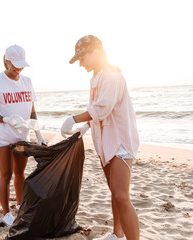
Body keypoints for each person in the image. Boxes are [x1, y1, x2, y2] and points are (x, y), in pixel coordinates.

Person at [61, 35, 139, 240]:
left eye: (82, 58)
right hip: (105, 142)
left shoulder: (111, 75)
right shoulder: (96, 78)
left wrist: (73, 119)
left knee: (121, 196)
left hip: (120, 141)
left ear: (96, 52)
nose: (80, 63)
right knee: (115, 193)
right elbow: (96, 111)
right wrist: (85, 126)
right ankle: (117, 234)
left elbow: (102, 108)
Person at [0, 45, 46, 227]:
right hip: (2, 136)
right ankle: (6, 214)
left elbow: (32, 110)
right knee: (6, 174)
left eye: (21, 65)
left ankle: (20, 206)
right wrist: (6, 119)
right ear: (6, 60)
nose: (18, 68)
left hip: (22, 136)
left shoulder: (27, 82)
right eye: (15, 64)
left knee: (20, 173)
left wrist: (38, 132)